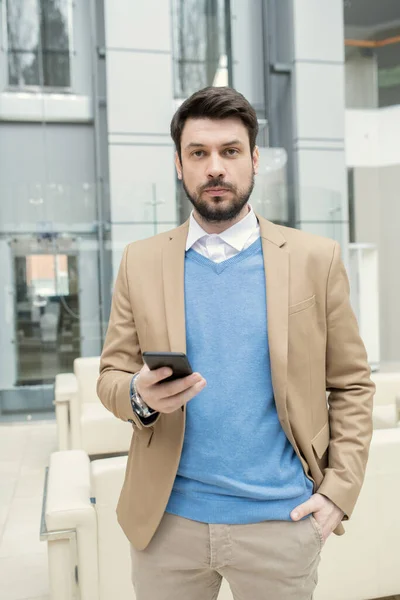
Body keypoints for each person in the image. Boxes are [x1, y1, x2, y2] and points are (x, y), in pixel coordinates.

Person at [97, 86, 375, 600]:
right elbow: (111, 377)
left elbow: (353, 384)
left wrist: (339, 492)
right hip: (166, 525)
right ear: (179, 165)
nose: (215, 168)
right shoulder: (140, 261)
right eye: (198, 153)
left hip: (281, 521)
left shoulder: (316, 258)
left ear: (254, 159)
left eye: (229, 151)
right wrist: (139, 394)